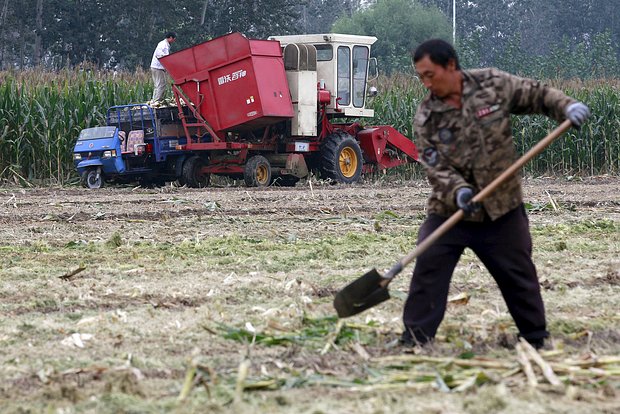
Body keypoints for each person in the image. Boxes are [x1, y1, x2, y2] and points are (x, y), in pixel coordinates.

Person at [402, 39, 590, 349]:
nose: (426, 83)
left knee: (518, 275)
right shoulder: (427, 115)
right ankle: (415, 340)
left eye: (430, 74)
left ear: (450, 65)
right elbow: (435, 166)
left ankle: (534, 338)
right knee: (428, 266)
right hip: (451, 210)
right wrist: (459, 191)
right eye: (420, 76)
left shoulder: (492, 85)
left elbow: (537, 94)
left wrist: (566, 106)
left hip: (501, 208)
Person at [150, 32, 176, 103]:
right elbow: (159, 54)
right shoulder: (163, 44)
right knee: (161, 84)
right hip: (158, 67)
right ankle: (157, 101)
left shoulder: (165, 44)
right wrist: (166, 60)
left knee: (157, 85)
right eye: (173, 39)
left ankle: (154, 101)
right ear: (170, 37)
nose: (174, 41)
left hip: (156, 67)